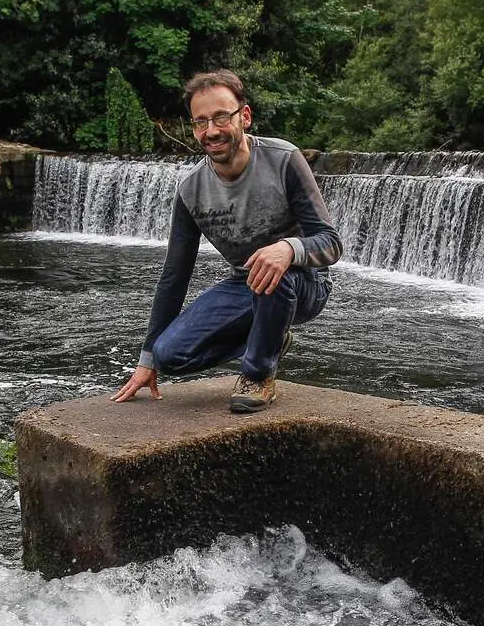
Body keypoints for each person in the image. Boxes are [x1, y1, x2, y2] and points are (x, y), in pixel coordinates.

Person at [110, 69, 342, 412]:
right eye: (200, 122)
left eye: (221, 117)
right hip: (243, 285)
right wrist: (147, 360)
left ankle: (257, 374)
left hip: (305, 283)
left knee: (271, 269)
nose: (211, 131)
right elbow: (174, 276)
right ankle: (272, 338)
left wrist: (289, 248)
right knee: (169, 354)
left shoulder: (283, 160)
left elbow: (331, 243)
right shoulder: (191, 189)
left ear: (244, 117)